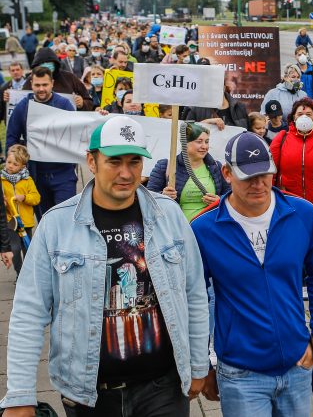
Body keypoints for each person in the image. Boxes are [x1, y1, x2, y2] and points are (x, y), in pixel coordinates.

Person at [0, 116, 209, 416]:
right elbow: (28, 312)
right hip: (88, 397)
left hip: (163, 390)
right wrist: (19, 395)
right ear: (92, 161)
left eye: (135, 161)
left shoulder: (169, 216)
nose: (126, 173)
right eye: (114, 161)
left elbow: (195, 294)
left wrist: (199, 364)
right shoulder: (57, 225)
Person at [191, 131, 313, 417]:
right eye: (248, 177)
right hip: (241, 372)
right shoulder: (204, 228)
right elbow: (192, 300)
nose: (259, 184)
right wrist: (202, 364)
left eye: (265, 174)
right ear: (227, 173)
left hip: (298, 364)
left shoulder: (302, 214)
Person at [7, 66, 78, 217]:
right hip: (36, 176)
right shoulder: (23, 106)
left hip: (63, 174)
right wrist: (16, 162)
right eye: (37, 85)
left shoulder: (64, 105)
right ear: (31, 84)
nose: (41, 89)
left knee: (66, 218)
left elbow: (78, 133)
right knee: (44, 222)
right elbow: (11, 138)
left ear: (52, 83)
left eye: (45, 85)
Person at [147, 123, 229, 221]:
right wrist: (163, 196)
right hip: (176, 228)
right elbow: (148, 198)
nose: (204, 146)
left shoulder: (216, 166)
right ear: (185, 143)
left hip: (209, 228)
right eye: (199, 142)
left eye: (207, 142)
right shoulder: (165, 166)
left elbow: (231, 195)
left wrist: (219, 201)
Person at [1, 144, 40, 277]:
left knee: (27, 249)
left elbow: (36, 198)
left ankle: (30, 274)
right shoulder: (2, 180)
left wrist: (24, 197)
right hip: (11, 223)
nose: (10, 166)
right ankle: (20, 274)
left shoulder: (27, 180)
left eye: (15, 164)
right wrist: (3, 202)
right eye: (9, 162)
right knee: (15, 249)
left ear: (23, 166)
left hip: (25, 222)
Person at [20, 47, 93, 110]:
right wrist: (9, 99)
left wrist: (82, 103)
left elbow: (89, 101)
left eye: (49, 63)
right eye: (43, 63)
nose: (41, 88)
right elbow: (19, 102)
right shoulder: (32, 79)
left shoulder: (69, 77)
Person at [184, 84, 249, 130]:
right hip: (207, 149)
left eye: (216, 85)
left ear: (224, 87)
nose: (213, 89)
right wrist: (206, 123)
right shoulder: (196, 108)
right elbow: (185, 133)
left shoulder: (239, 107)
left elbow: (248, 134)